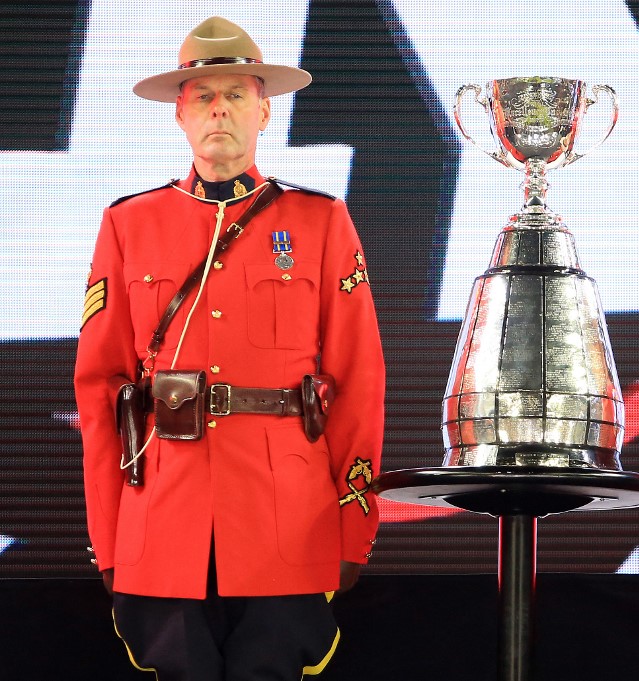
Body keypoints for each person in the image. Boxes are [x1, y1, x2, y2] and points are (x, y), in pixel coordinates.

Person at [74, 16, 385, 680]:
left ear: (264, 111)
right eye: (204, 96)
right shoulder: (129, 224)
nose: (220, 109)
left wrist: (355, 524)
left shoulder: (320, 221)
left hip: (287, 518)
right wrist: (109, 537)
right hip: (163, 516)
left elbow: (358, 382)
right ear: (180, 113)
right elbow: (100, 391)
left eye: (237, 94)